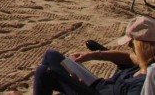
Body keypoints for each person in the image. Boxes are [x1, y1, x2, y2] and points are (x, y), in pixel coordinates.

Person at [11, 16, 155, 95]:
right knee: (51, 55)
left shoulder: (145, 82)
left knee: (44, 72)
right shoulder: (144, 62)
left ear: (142, 46)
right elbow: (127, 57)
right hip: (97, 85)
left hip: (92, 92)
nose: (129, 47)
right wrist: (94, 55)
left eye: (132, 44)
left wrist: (78, 84)